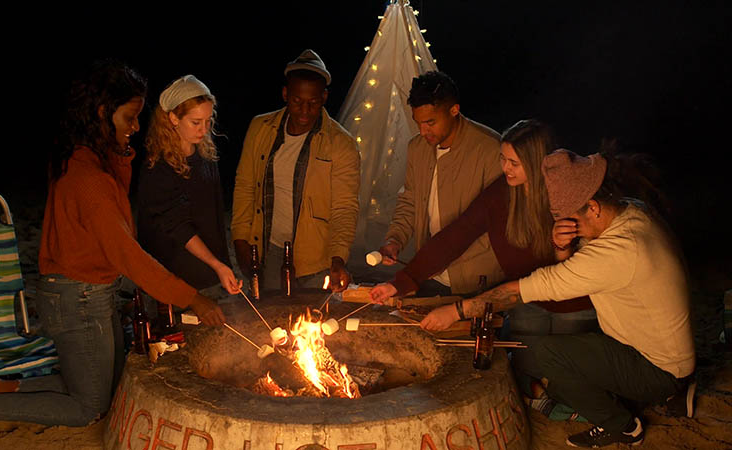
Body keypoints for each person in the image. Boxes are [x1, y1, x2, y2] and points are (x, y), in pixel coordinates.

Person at [0, 60, 226, 437]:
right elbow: (127, 254)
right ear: (102, 114)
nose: (137, 128)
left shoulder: (90, 156)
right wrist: (193, 298)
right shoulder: (87, 176)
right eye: (129, 118)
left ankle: (6, 390)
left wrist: (121, 152)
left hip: (89, 289)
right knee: (89, 407)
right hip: (75, 296)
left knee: (101, 388)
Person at [419, 148, 695, 448]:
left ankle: (626, 427)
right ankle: (664, 392)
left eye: (571, 218)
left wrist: (457, 310)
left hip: (655, 366)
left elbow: (521, 290)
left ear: (593, 206)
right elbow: (578, 264)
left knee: (549, 355)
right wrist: (563, 248)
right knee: (561, 381)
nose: (569, 226)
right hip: (656, 349)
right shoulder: (631, 210)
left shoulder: (617, 253)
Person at [370, 120, 597, 412]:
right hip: (524, 298)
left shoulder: (567, 196)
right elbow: (455, 236)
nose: (505, 168)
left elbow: (591, 259)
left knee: (571, 371)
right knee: (527, 364)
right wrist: (400, 282)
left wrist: (563, 246)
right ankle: (544, 402)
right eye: (503, 159)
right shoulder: (501, 194)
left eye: (514, 162)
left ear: (539, 162)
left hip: (573, 302)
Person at [231, 49, 359, 293]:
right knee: (271, 324)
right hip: (269, 250)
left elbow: (344, 207)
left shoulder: (341, 143)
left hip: (316, 259)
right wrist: (240, 240)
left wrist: (338, 258)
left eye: (312, 103)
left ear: (324, 97)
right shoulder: (261, 128)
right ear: (285, 94)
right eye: (297, 101)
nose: (304, 111)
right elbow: (245, 185)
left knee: (312, 327)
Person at [377, 71, 503, 296]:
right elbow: (410, 201)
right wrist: (395, 239)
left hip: (477, 279)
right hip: (430, 273)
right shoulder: (418, 148)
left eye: (430, 122)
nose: (423, 131)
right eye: (418, 123)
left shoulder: (490, 149)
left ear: (454, 110)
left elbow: (494, 223)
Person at [137, 75, 241, 316]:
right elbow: (178, 227)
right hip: (175, 280)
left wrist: (222, 265)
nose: (204, 130)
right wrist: (217, 265)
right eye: (195, 122)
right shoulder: (159, 168)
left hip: (209, 273)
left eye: (208, 121)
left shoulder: (204, 155)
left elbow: (212, 217)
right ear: (173, 118)